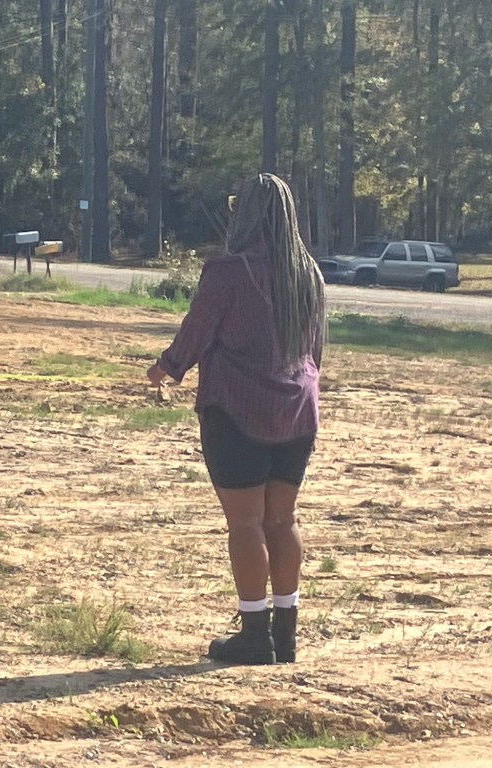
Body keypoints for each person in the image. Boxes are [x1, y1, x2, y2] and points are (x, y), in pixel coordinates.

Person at [147, 173, 326, 665]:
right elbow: (314, 351)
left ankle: (253, 635)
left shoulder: (228, 271)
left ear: (242, 213)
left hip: (238, 409)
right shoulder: (308, 273)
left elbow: (198, 330)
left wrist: (167, 367)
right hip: (298, 411)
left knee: (245, 523)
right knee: (282, 519)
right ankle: (285, 634)